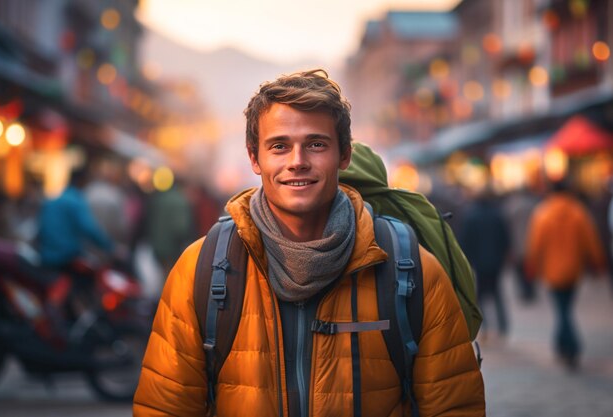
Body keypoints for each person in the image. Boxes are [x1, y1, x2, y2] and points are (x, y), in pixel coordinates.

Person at [133, 69, 485, 417]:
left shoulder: (410, 269)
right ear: (255, 158)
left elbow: (454, 407)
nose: (297, 162)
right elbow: (164, 407)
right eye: (279, 146)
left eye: (316, 144)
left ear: (344, 155)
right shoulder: (203, 270)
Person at [525, 178, 607, 370]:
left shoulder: (542, 213)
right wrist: (598, 262)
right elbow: (591, 240)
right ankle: (564, 345)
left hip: (552, 272)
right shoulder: (578, 211)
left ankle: (570, 346)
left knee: (562, 310)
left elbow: (535, 245)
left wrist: (532, 267)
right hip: (573, 270)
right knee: (566, 308)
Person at [458, 186, 511, 339]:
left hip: (479, 262)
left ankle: (485, 327)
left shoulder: (471, 216)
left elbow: (465, 241)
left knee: (480, 296)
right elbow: (504, 237)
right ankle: (502, 327)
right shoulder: (497, 214)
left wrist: (467, 261)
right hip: (496, 261)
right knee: (497, 293)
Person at [37, 166, 114, 268]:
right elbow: (89, 229)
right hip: (65, 259)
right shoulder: (76, 202)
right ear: (81, 181)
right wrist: (109, 246)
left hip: (45, 256)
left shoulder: (53, 200)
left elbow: (41, 229)